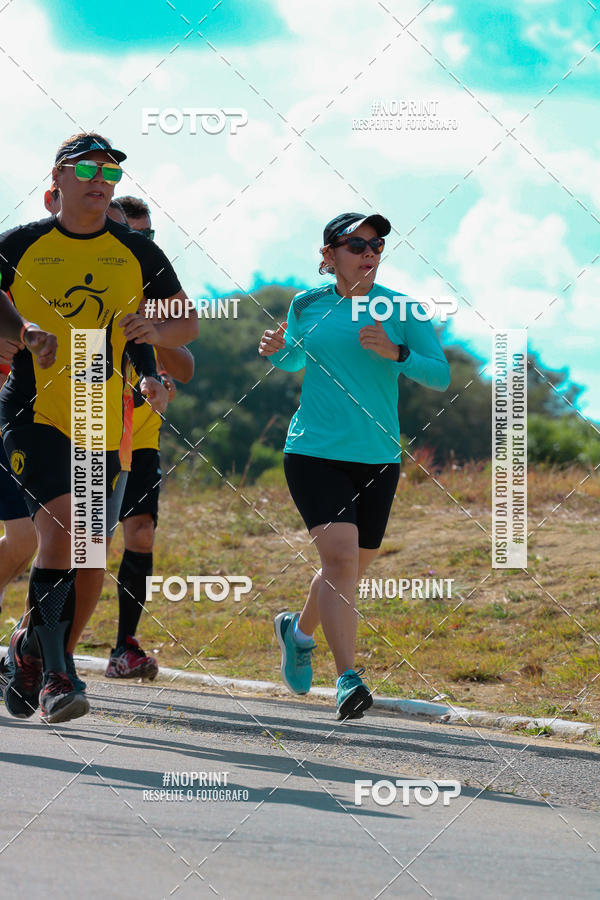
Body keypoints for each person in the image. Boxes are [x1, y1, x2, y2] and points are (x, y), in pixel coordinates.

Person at [0, 131, 197, 724]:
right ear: (55, 181)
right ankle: (60, 676)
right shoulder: (21, 243)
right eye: (84, 169)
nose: (98, 180)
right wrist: (24, 330)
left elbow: (185, 323)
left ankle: (29, 649)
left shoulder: (137, 251)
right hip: (33, 409)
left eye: (109, 172)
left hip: (100, 413)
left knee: (84, 551)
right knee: (59, 529)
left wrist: (153, 333)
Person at [259, 212, 450, 720]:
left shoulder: (401, 308)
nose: (369, 252)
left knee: (345, 570)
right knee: (340, 560)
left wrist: (397, 351)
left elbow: (439, 374)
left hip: (379, 456)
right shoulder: (307, 304)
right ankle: (348, 678)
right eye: (356, 243)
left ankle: (296, 633)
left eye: (378, 244)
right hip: (313, 451)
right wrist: (278, 353)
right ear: (329, 255)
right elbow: (299, 360)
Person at [105, 196, 193, 680]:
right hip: (90, 435)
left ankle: (124, 647)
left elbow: (186, 365)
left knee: (140, 535)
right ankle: (37, 641)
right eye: (134, 235)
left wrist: (153, 336)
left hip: (141, 441)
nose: (143, 244)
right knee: (77, 546)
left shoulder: (161, 298)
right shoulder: (102, 284)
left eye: (149, 236)